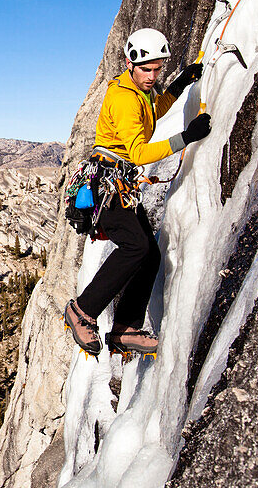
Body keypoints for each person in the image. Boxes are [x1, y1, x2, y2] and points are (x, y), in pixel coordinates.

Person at [64, 28, 211, 358]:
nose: (153, 76)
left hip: (119, 184)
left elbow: (154, 110)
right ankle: (81, 311)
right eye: (147, 69)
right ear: (130, 63)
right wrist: (187, 137)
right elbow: (139, 151)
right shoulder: (124, 97)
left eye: (158, 69)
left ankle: (125, 329)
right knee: (136, 245)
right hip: (107, 184)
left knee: (149, 253)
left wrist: (181, 82)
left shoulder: (139, 91)